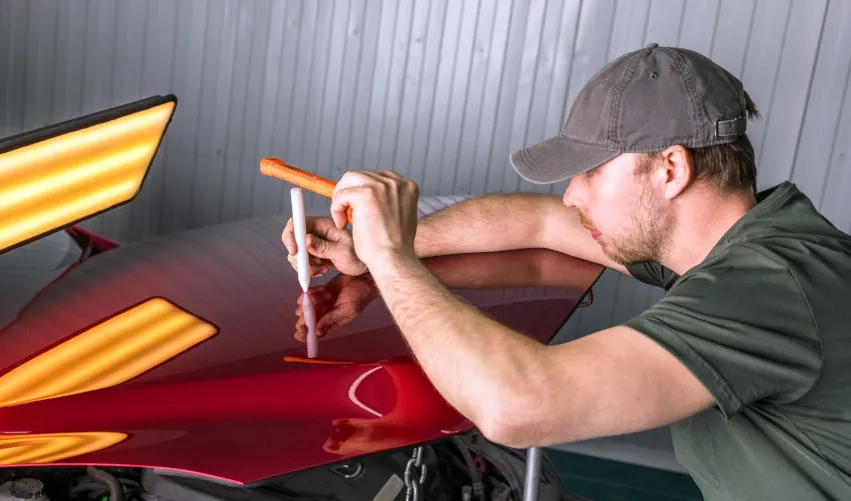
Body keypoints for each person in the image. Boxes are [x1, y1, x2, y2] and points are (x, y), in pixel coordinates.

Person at [282, 43, 851, 500]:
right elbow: (540, 223)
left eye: (592, 172)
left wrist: (393, 259)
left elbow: (517, 406)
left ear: (671, 168)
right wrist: (369, 245)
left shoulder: (766, 286)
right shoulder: (740, 243)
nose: (572, 195)